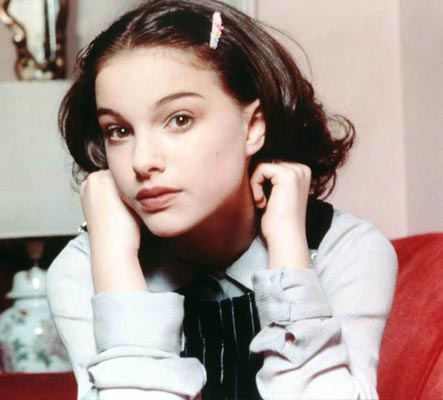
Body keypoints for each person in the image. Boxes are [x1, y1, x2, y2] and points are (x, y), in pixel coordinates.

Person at [46, 0, 397, 398]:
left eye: (180, 119)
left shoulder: (345, 250)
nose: (141, 161)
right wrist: (116, 263)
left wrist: (288, 251)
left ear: (253, 127)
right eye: (119, 131)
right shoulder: (85, 268)